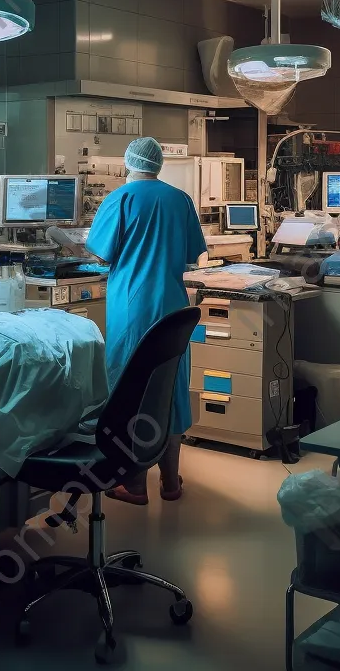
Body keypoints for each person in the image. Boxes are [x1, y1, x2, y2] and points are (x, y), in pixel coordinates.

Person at [86, 137, 206, 504]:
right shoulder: (180, 200)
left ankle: (134, 483)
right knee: (167, 389)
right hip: (173, 307)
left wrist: (58, 236)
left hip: (132, 308)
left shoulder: (120, 198)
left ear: (128, 162)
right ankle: (171, 482)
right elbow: (190, 254)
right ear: (158, 163)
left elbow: (100, 253)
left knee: (131, 393)